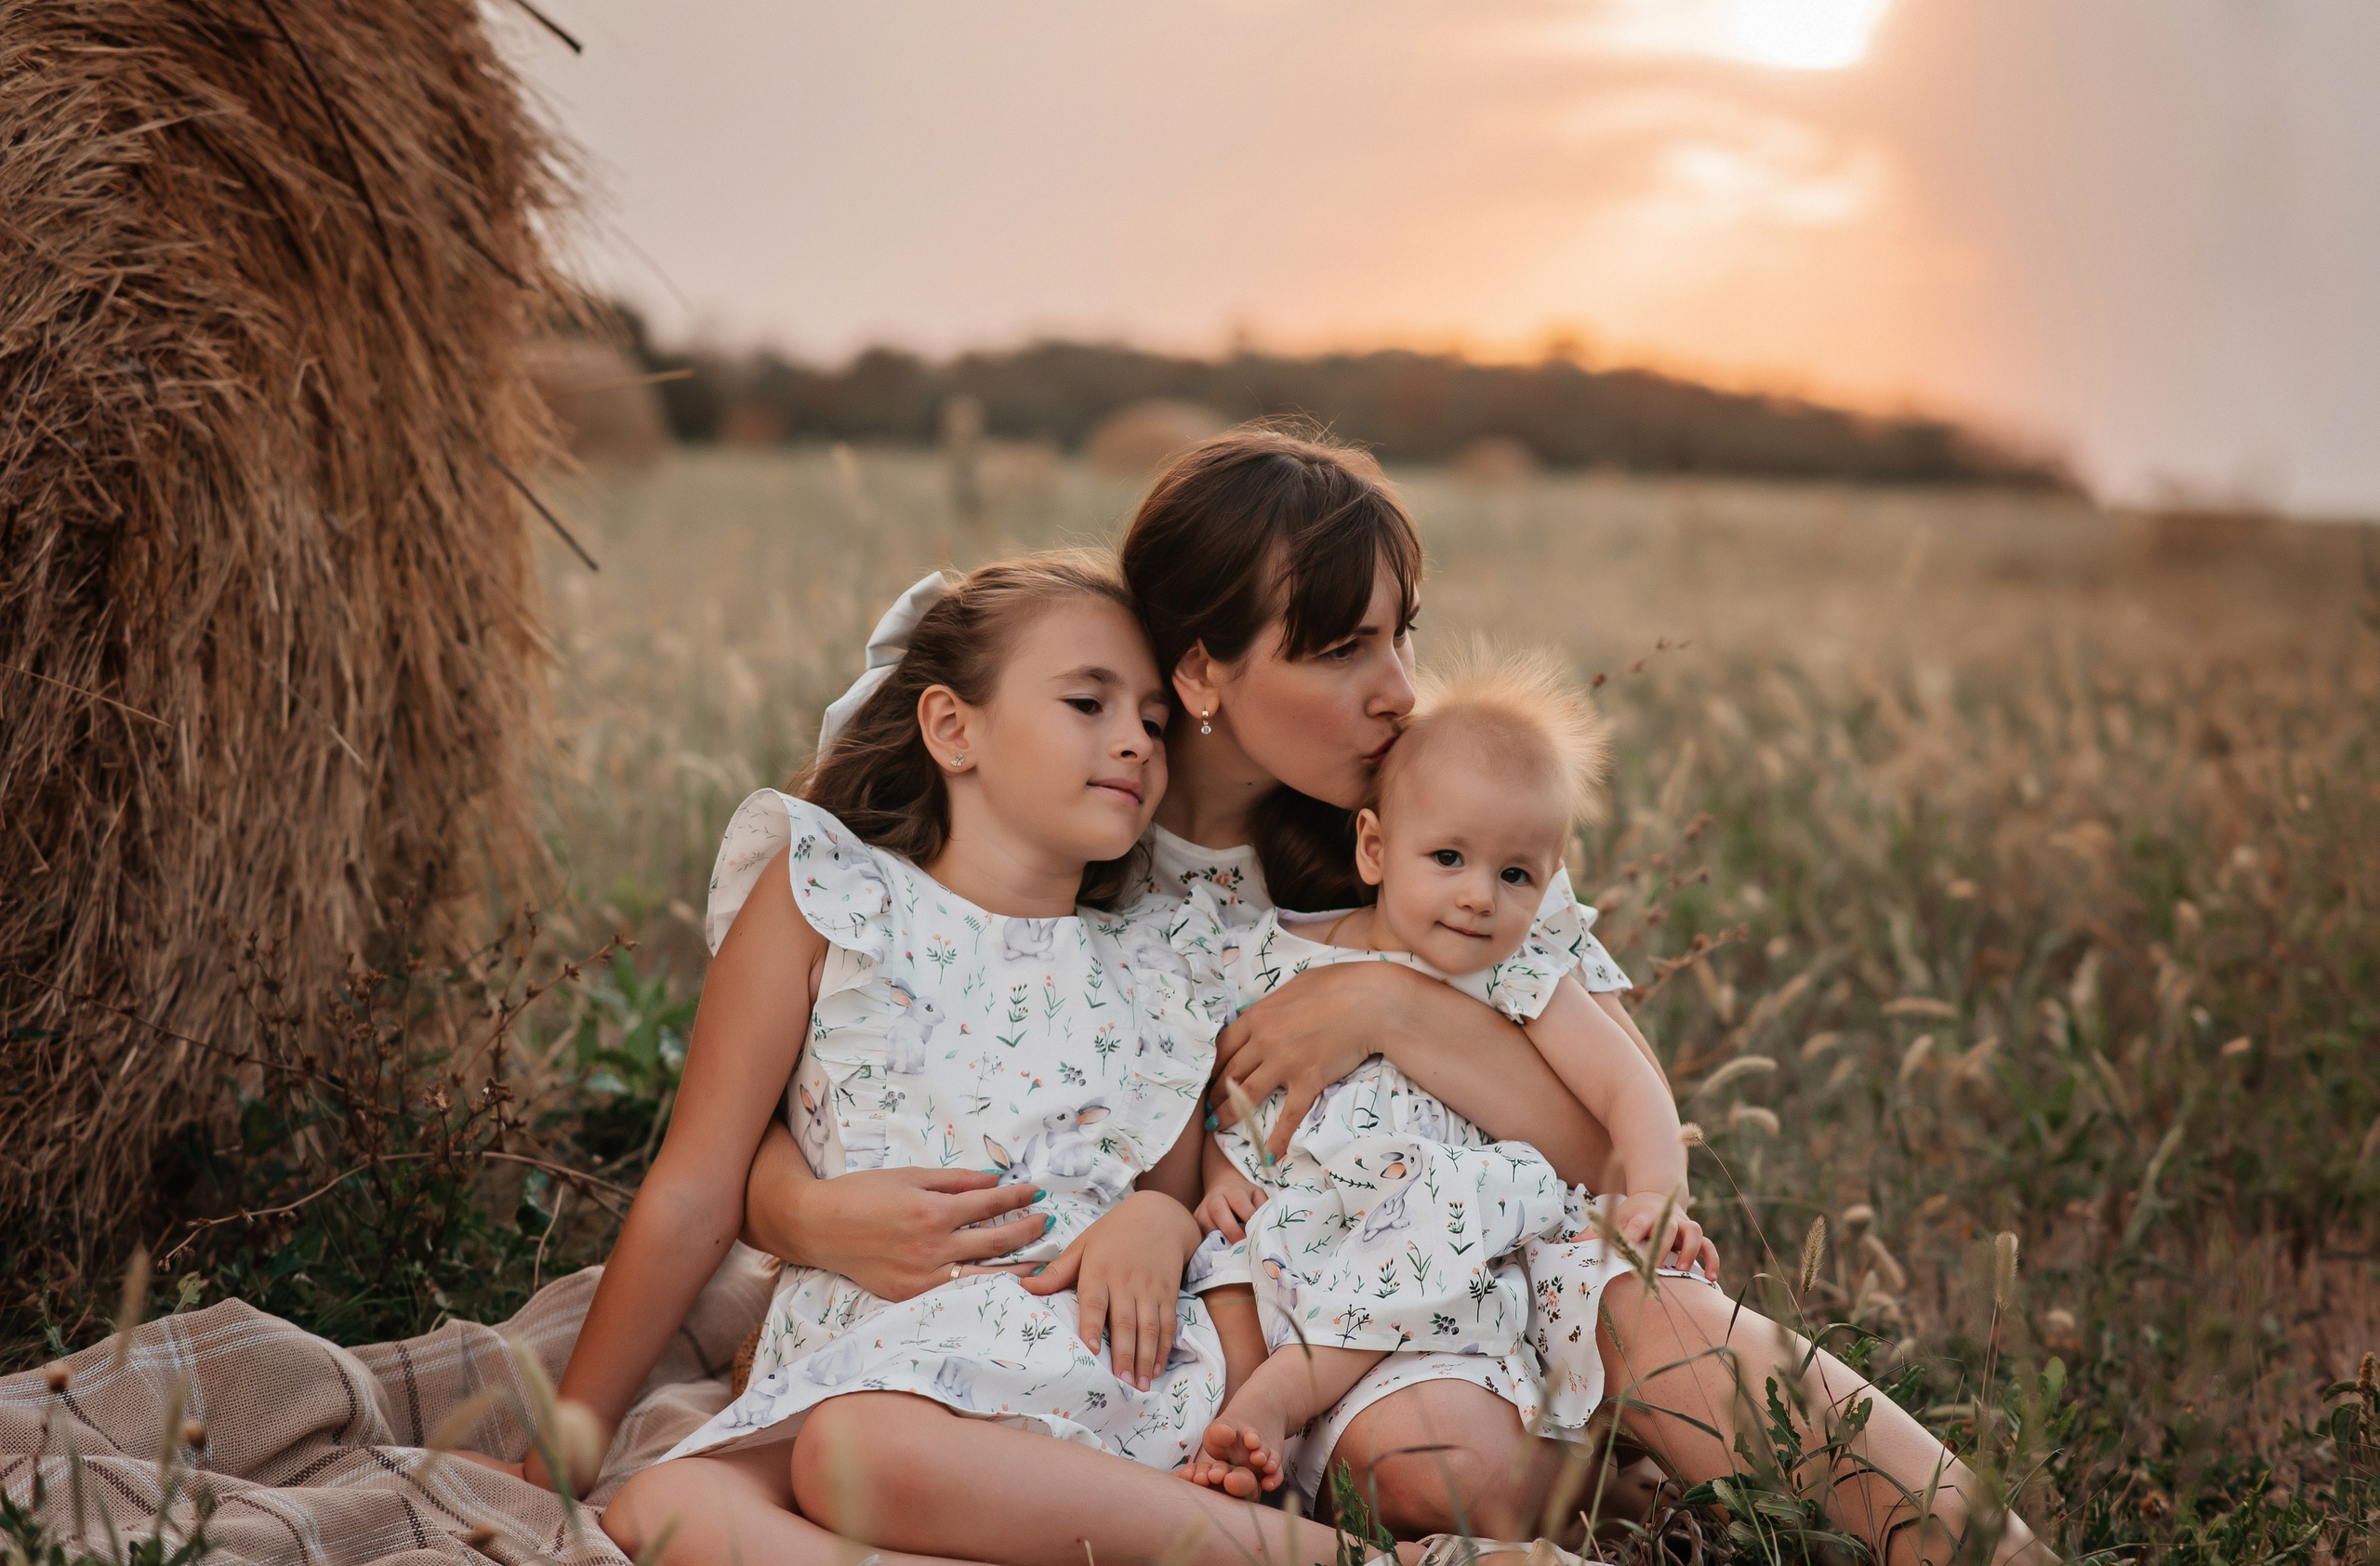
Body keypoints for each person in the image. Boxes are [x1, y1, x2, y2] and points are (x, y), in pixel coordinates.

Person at [742, 428, 2055, 1563]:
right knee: (1434, 1470)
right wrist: (799, 1206)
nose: (1398, 689)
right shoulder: (1063, 836)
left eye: (1399, 634)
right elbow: (852, 1054)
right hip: (1280, 1321)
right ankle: (1583, 1494)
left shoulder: (1435, 828)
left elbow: (1607, 1147)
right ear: (1202, 678)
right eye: (1342, 649)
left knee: (1647, 1304)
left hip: (1497, 1257)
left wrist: (1395, 1009)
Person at [585, 551, 1549, 1566]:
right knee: (662, 1504)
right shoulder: (828, 893)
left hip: (1069, 1341)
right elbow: (696, 1185)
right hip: (855, 1345)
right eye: (1089, 704)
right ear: (953, 727)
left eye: (1151, 720)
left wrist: (1158, 1217)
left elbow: (1180, 1186)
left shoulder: (1155, 954)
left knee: (855, 1450)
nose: (1133, 739)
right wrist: (569, 1429)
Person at [1179, 646, 1715, 1504]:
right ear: (1375, 847)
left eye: (1515, 875)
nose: (1478, 898)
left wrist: (1656, 1194)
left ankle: (1282, 1401)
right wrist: (1221, 1179)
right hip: (1312, 1238)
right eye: (1449, 859)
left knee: (1438, 1209)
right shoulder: (1280, 957)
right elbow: (1235, 1092)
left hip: (1465, 1240)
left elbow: (1630, 1089)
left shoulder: (1517, 971)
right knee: (1228, 1283)